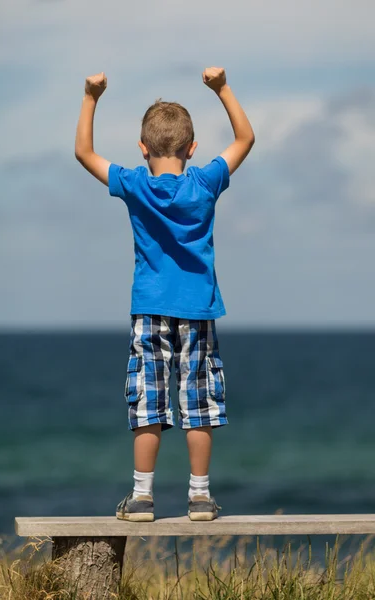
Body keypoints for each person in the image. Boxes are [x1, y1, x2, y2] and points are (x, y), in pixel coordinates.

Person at [75, 66, 255, 522]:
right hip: (197, 310)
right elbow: (245, 139)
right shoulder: (205, 182)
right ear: (192, 149)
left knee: (149, 399)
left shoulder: (135, 184)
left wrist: (91, 97)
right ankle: (199, 497)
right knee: (199, 401)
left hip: (150, 310)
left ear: (142, 147)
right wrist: (222, 88)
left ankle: (141, 498)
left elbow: (84, 152)